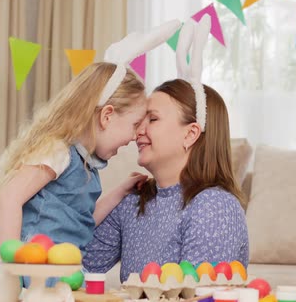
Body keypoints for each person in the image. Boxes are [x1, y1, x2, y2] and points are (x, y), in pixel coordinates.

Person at [0, 20, 182, 276]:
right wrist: (10, 264)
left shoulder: (88, 167)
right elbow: (9, 197)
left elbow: (82, 223)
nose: (135, 136)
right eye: (134, 125)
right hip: (27, 269)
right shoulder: (57, 151)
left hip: (52, 270)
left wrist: (119, 192)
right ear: (107, 116)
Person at [83, 78, 250, 282]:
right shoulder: (133, 200)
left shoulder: (214, 206)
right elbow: (77, 266)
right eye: (140, 120)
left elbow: (194, 301)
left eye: (152, 119)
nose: (138, 131)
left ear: (190, 134)